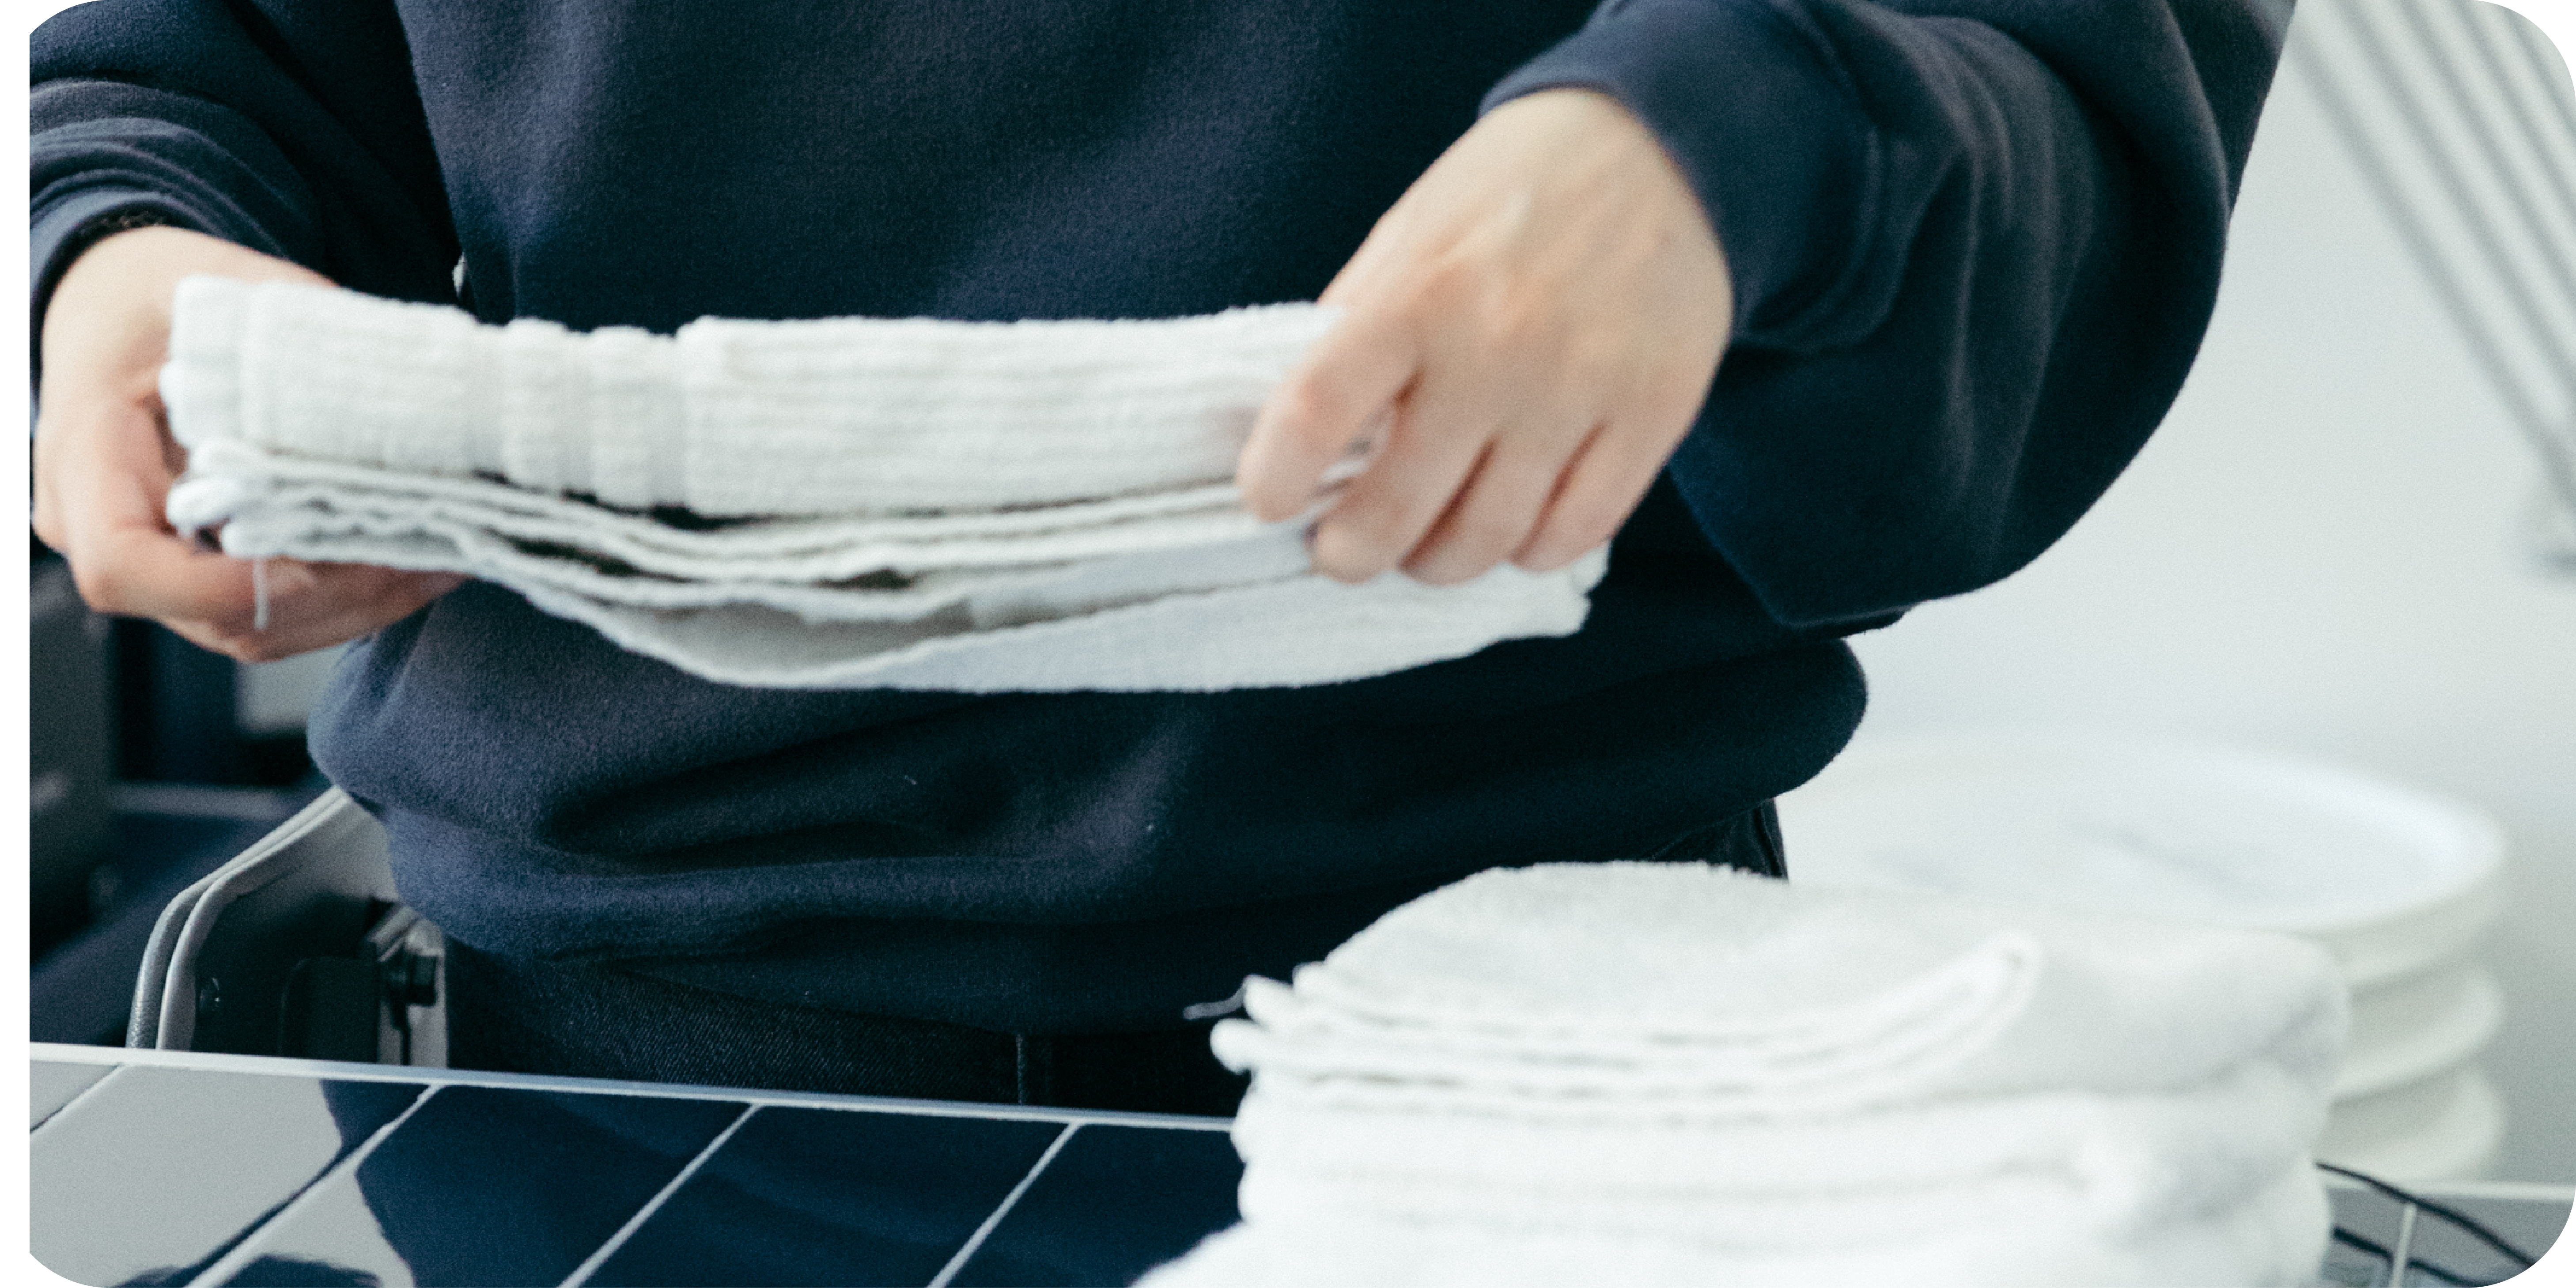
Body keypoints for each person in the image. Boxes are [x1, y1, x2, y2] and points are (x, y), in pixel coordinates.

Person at [31, 0, 2290, 1114]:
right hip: (577, 1061)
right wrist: (123, 250)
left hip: (1533, 1061)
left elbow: (2069, 49)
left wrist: (1744, 122)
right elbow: (220, 49)